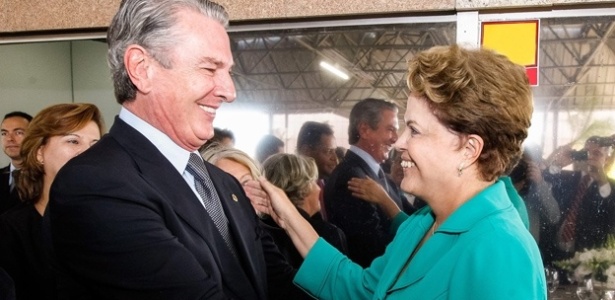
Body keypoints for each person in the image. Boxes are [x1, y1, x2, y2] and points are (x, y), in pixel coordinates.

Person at [45, 1, 301, 299]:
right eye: (209, 68)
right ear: (142, 69)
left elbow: (279, 283)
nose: (229, 91)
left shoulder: (224, 183)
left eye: (228, 72)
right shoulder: (95, 185)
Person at [258, 44, 546, 299]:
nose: (400, 142)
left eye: (415, 130)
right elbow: (363, 290)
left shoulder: (501, 250)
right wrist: (287, 214)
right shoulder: (420, 223)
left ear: (470, 148)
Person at [0, 103, 103, 300]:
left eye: (94, 144)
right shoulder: (11, 230)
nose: (87, 153)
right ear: (40, 152)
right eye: (73, 141)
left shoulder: (113, 220)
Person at [323, 97, 410, 267]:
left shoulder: (377, 173)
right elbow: (371, 250)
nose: (395, 139)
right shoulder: (351, 178)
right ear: (364, 130)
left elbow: (413, 217)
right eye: (390, 129)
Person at [260, 153, 347, 268]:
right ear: (304, 187)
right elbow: (339, 281)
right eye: (315, 182)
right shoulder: (327, 234)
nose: (319, 188)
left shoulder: (258, 230)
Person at [544, 135, 615, 261]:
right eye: (585, 153)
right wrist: (559, 163)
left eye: (596, 153)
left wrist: (602, 182)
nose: (590, 158)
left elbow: (611, 223)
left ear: (607, 159)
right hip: (554, 252)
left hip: (588, 259)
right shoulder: (568, 178)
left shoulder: (610, 187)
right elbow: (542, 180)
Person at [508, 144, 561, 265]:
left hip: (528, 251)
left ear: (537, 166)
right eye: (521, 164)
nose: (522, 169)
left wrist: (540, 183)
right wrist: (514, 188)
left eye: (528, 166)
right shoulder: (504, 184)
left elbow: (555, 216)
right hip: (505, 245)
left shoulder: (540, 187)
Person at [296, 121, 338, 220]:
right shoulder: (294, 191)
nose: (335, 158)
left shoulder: (329, 185)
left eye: (335, 151)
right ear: (306, 151)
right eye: (329, 151)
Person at [0, 111, 32, 214]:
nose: (9, 139)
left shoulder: (47, 178)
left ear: (34, 136)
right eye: (4, 133)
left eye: (18, 132)